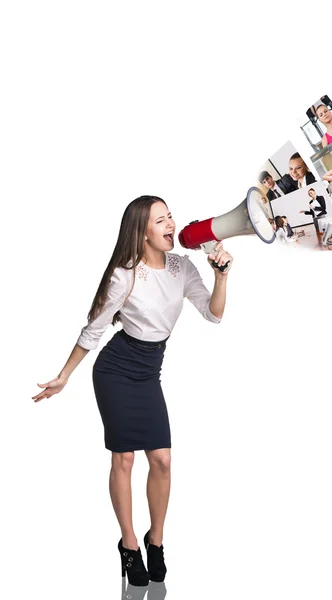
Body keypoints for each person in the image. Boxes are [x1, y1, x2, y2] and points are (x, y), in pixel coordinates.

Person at [32, 196, 232, 586]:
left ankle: (155, 540)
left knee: (162, 460)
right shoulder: (124, 275)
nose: (172, 223)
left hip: (148, 372)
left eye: (171, 216)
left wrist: (221, 275)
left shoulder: (181, 267)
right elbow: (93, 330)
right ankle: (128, 545)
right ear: (142, 233)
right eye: (161, 220)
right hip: (116, 371)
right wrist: (65, 375)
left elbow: (213, 314)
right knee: (123, 460)